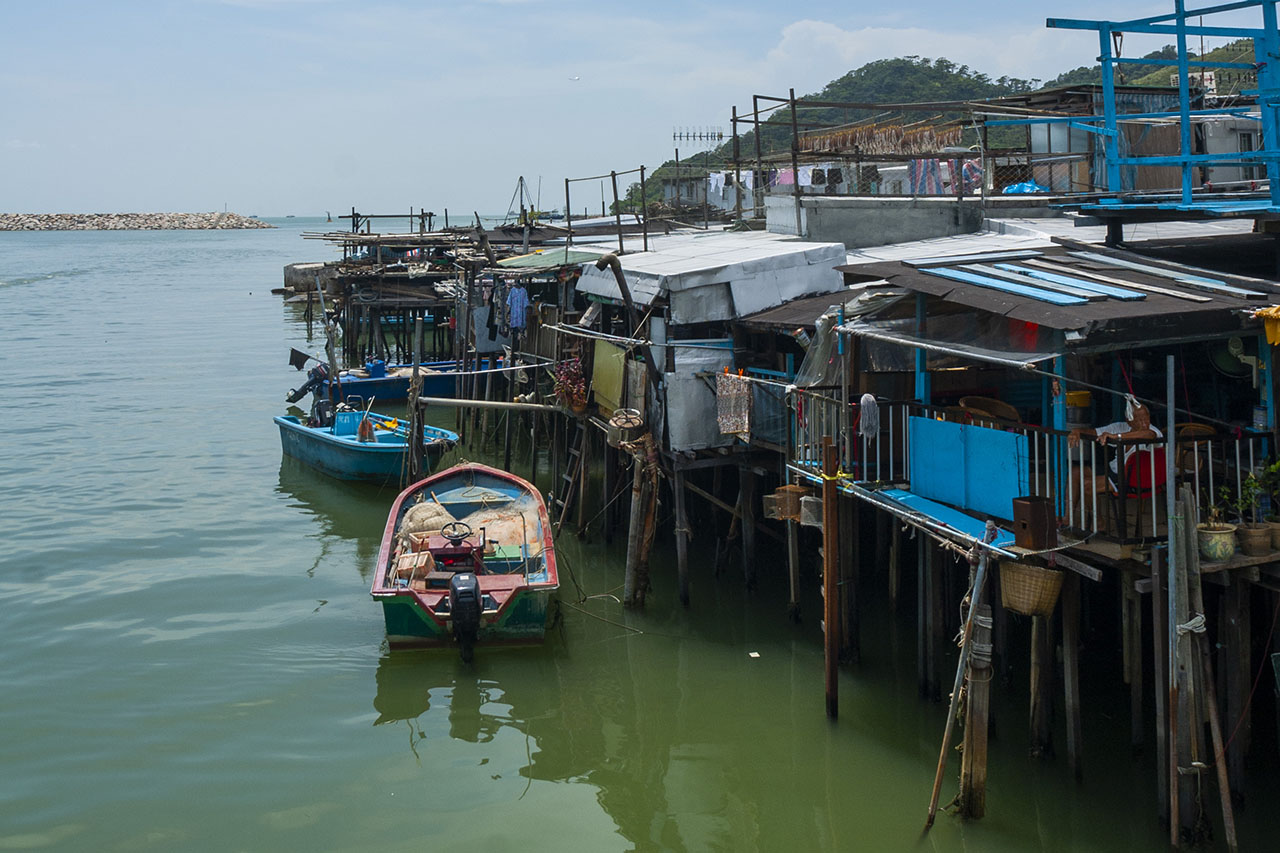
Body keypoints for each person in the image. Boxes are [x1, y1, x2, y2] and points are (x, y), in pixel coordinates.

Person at [1067, 395, 1163, 494]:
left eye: (1146, 417)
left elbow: (1148, 434)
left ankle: (1091, 510)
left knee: (1086, 485)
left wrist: (1117, 436)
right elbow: (1094, 432)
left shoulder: (1153, 431)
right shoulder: (1121, 426)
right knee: (1075, 472)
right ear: (1129, 421)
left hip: (1132, 477)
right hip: (1114, 469)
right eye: (1138, 419)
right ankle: (1068, 510)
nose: (1144, 423)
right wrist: (1077, 430)